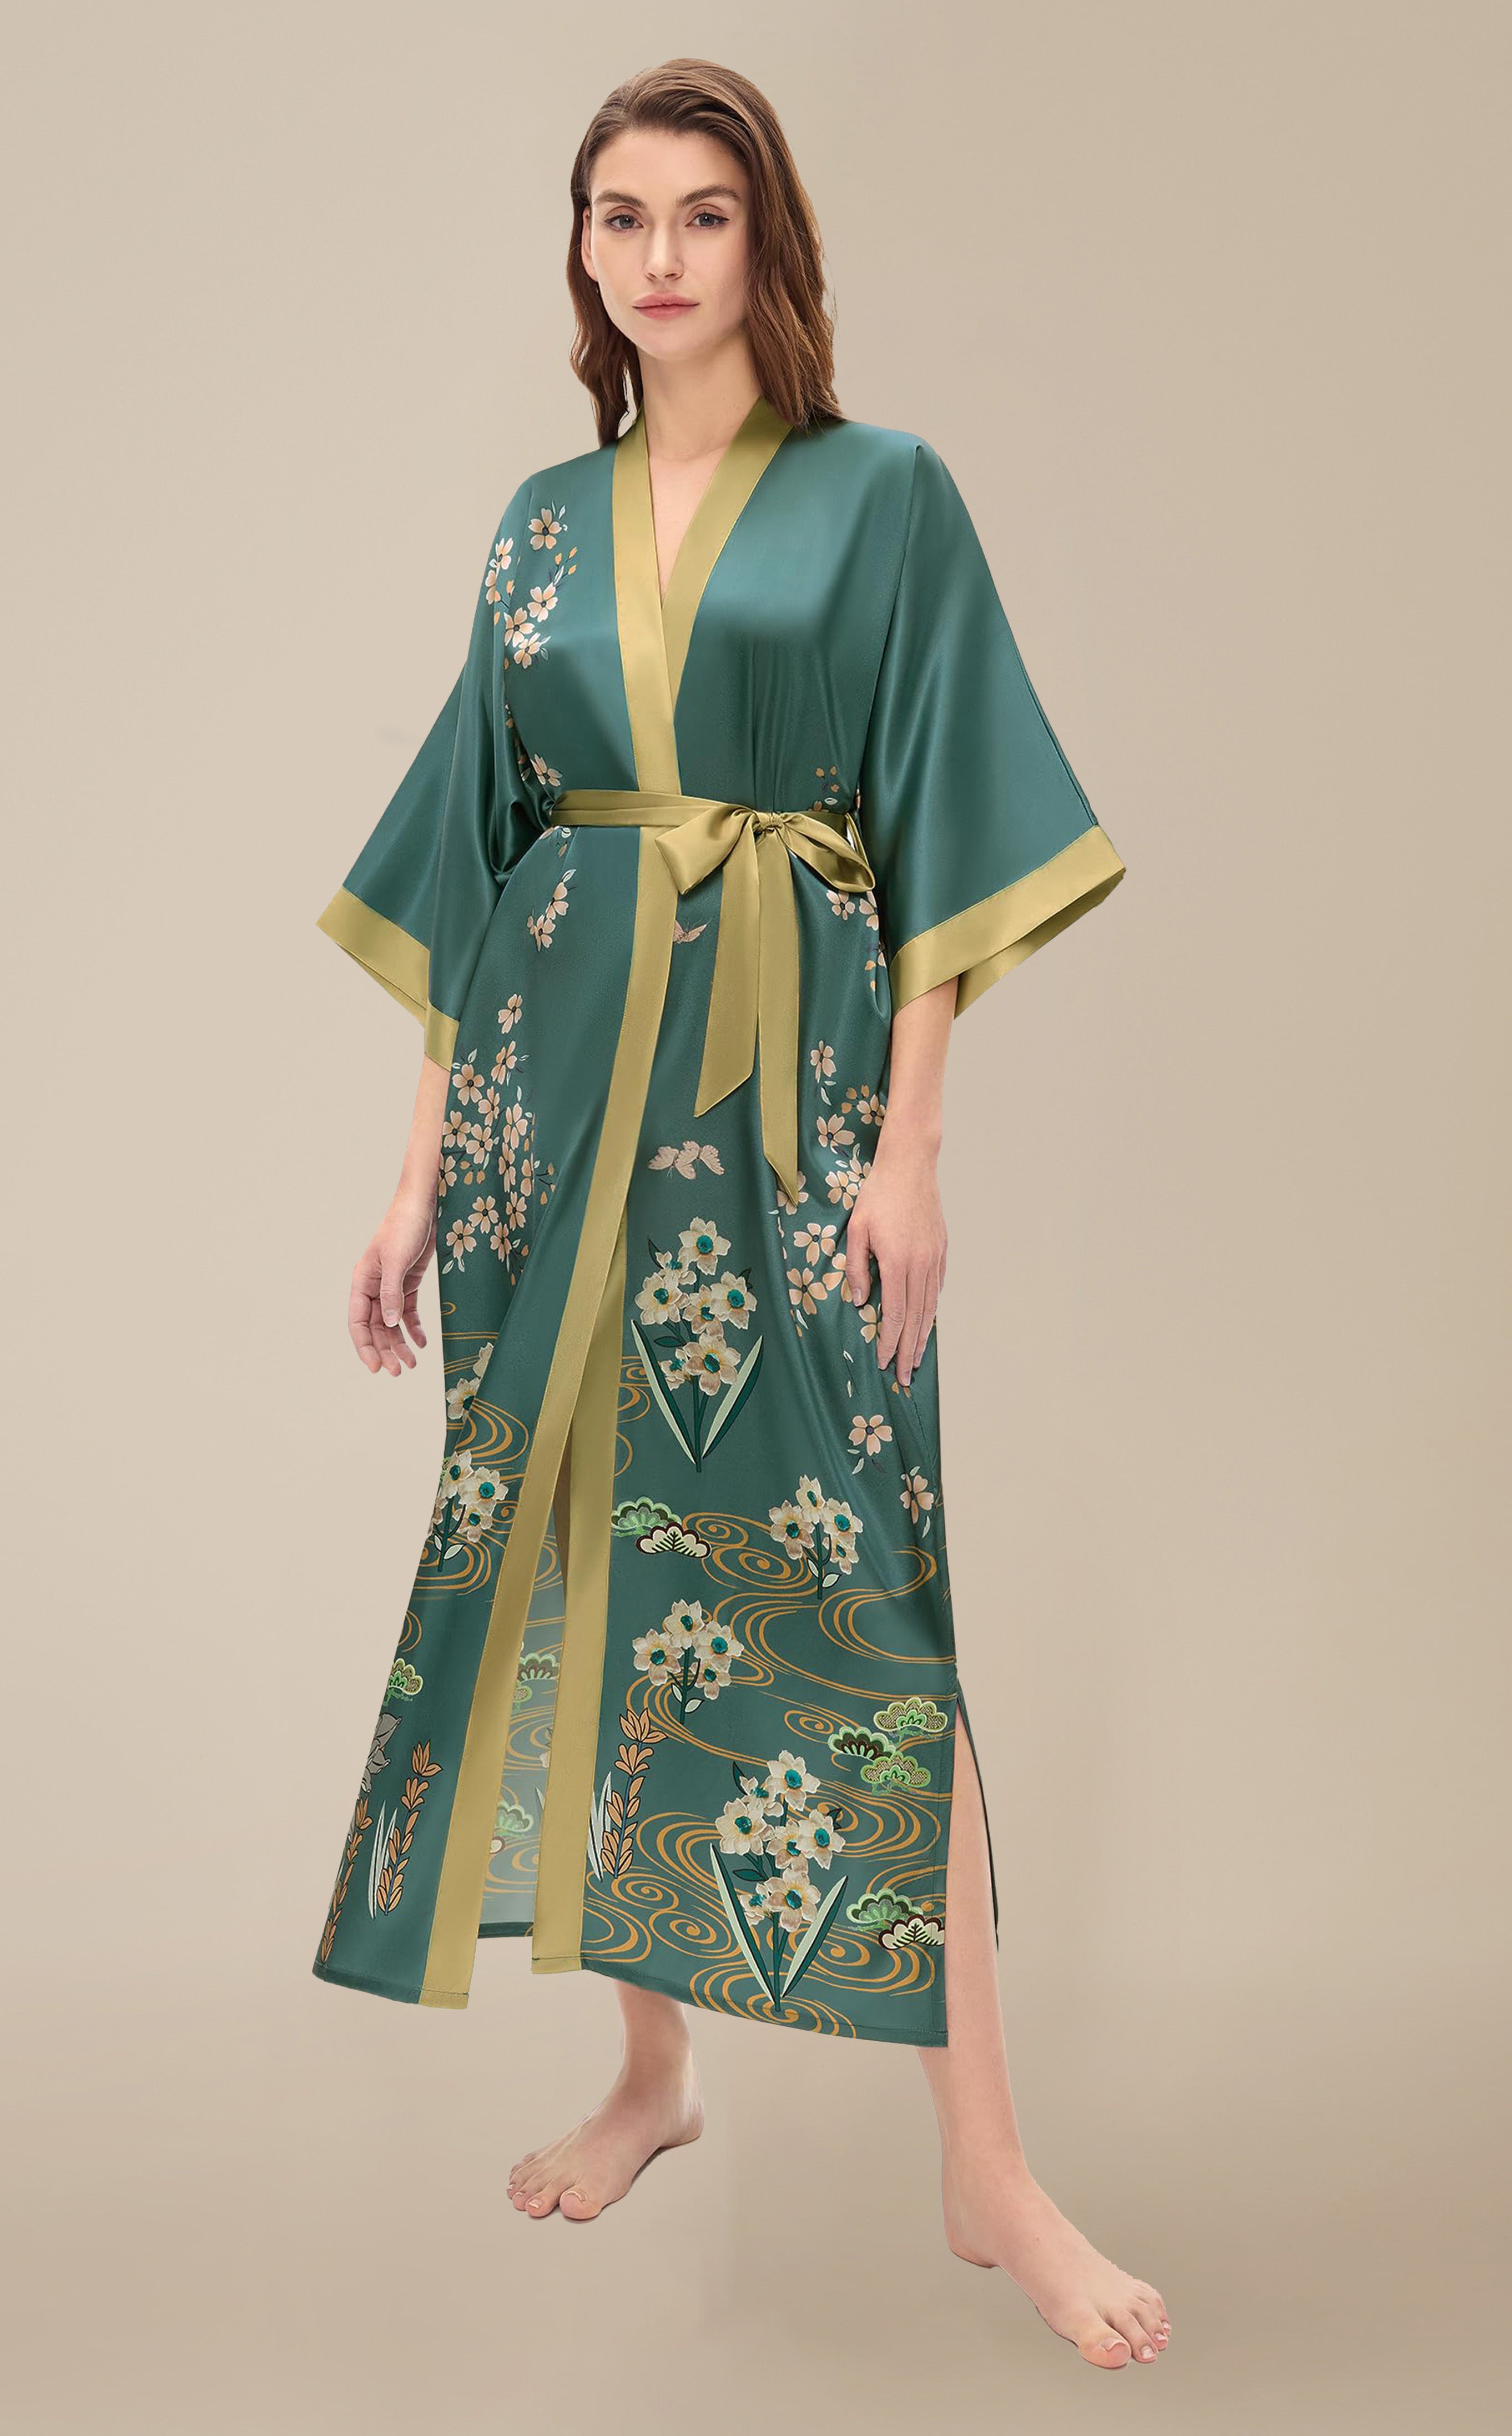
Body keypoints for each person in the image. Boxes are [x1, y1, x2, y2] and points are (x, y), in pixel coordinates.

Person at [313, 57, 1167, 2373]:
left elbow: (943, 809)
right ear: (582, 253)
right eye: (622, 216)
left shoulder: (886, 498)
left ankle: (989, 2164)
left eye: (703, 213)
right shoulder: (537, 528)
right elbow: (473, 852)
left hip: (787, 1108)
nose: (661, 255)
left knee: (870, 1585)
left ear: (764, 241)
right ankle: (653, 2073)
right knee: (602, 1560)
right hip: (548, 1101)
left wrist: (913, 1150)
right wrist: (415, 1172)